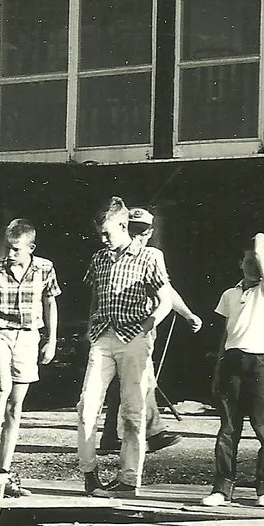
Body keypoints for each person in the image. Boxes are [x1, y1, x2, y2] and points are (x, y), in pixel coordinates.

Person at [75, 199, 194, 496]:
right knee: (87, 406)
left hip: (133, 339)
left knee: (133, 410)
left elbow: (165, 298)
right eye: (99, 234)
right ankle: (89, 473)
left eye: (106, 233)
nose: (103, 239)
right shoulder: (100, 258)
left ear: (122, 226)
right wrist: (90, 328)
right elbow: (95, 296)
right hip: (102, 337)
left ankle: (129, 479)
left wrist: (148, 325)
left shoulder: (149, 256)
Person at [0, 218, 59, 487]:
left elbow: (50, 304)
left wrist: (52, 340)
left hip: (28, 336)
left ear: (31, 248)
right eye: (7, 247)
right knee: (3, 386)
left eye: (16, 249)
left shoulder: (45, 268)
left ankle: (4, 468)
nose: (9, 254)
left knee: (16, 406)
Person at [204, 237, 264, 508]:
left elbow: (260, 256)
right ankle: (222, 487)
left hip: (259, 362)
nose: (253, 267)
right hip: (232, 361)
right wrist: (218, 367)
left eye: (258, 263)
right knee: (228, 428)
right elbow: (226, 333)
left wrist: (260, 240)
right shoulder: (229, 294)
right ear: (240, 264)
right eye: (247, 262)